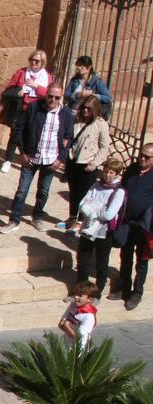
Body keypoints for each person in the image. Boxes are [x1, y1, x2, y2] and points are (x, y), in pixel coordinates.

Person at [1, 82, 74, 234]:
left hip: (50, 160)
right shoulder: (34, 108)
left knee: (44, 191)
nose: (52, 100)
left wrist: (60, 158)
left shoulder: (66, 114)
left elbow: (68, 138)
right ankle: (14, 220)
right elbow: (20, 128)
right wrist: (22, 152)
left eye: (56, 98)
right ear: (45, 95)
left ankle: (37, 216)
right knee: (22, 190)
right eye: (50, 96)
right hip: (32, 157)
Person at [110, 143, 153, 311]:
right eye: (140, 155)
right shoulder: (132, 169)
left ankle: (137, 293)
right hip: (127, 222)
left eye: (147, 157)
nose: (142, 159)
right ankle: (123, 287)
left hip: (144, 226)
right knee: (125, 255)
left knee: (141, 262)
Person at [77, 157, 127, 294]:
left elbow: (109, 215)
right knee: (83, 261)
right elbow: (82, 204)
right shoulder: (96, 186)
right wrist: (98, 208)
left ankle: (97, 292)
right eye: (106, 171)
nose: (107, 175)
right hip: (88, 228)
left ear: (117, 174)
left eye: (111, 172)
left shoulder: (118, 191)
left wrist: (92, 208)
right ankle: (81, 290)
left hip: (104, 232)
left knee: (101, 263)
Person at [63, 95, 112, 231]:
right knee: (73, 192)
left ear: (95, 109)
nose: (85, 111)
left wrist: (95, 163)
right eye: (83, 107)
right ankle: (72, 217)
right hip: (73, 160)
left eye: (89, 109)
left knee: (84, 194)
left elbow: (104, 147)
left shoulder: (101, 124)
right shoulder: (76, 120)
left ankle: (80, 220)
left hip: (87, 163)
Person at [1, 49, 50, 172]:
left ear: (42, 63)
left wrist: (36, 86)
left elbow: (49, 94)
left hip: (36, 110)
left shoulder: (47, 77)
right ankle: (8, 160)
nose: (33, 62)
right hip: (20, 108)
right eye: (32, 59)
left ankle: (28, 159)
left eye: (37, 61)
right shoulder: (21, 72)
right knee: (14, 135)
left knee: (32, 135)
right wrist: (17, 92)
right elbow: (10, 87)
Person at [59, 281, 99, 350]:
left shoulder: (88, 316)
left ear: (90, 299)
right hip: (65, 344)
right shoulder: (73, 305)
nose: (76, 297)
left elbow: (79, 339)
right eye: (76, 294)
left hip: (77, 350)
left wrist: (67, 326)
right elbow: (60, 324)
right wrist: (67, 326)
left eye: (80, 295)